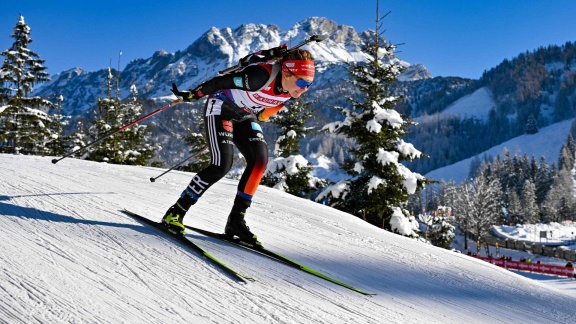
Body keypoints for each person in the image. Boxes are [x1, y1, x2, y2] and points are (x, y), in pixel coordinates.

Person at [164, 47, 315, 245]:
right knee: (221, 165)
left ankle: (236, 221)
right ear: (286, 73)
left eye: (309, 84)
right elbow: (219, 82)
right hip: (221, 107)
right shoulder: (258, 77)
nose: (304, 89)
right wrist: (194, 94)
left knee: (259, 161)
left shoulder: (291, 89)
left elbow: (275, 105)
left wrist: (260, 118)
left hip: (244, 115)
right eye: (302, 82)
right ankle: (175, 213)